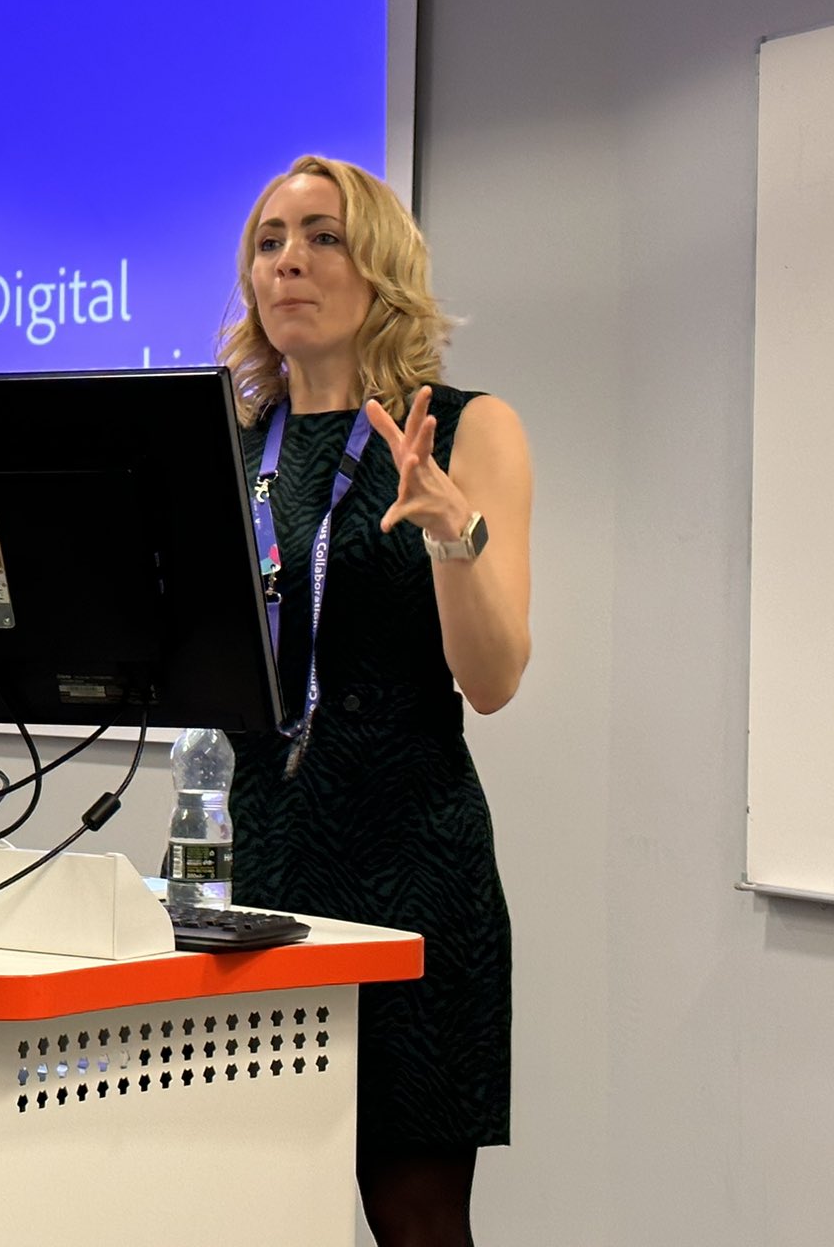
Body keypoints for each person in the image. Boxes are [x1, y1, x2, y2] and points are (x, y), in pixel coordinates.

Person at [218, 155, 532, 1247]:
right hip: (258, 864)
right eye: (268, 241)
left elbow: (492, 681)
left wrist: (451, 532)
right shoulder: (225, 446)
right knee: (249, 1203)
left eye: (321, 236)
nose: (289, 261)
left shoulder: (465, 429)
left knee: (412, 1216)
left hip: (413, 864)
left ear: (380, 267)